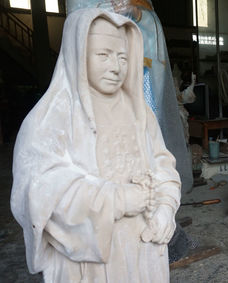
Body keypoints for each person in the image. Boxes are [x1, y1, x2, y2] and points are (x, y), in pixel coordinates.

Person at [11, 9, 180, 282]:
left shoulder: (141, 113)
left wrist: (165, 208)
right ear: (79, 54)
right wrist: (117, 199)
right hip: (93, 263)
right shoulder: (52, 116)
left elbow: (163, 164)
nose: (116, 67)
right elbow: (38, 192)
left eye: (123, 57)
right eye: (103, 55)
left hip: (143, 251)